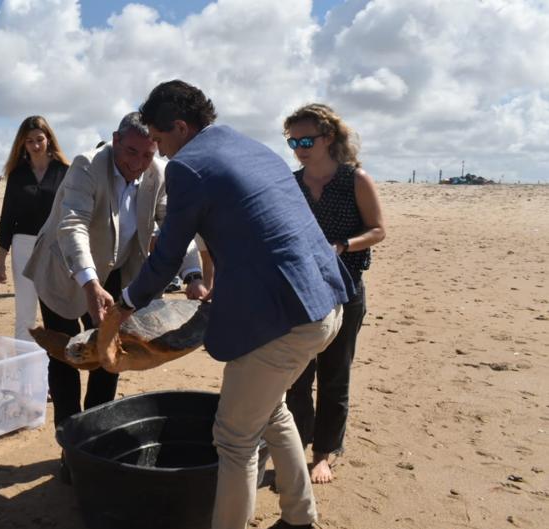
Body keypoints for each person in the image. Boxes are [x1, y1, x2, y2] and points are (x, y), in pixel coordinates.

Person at [115, 80, 353, 529]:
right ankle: (300, 518)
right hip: (323, 302)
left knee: (233, 439)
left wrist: (125, 302)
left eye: (161, 140)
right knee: (269, 410)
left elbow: (166, 254)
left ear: (181, 127)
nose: (161, 152)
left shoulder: (188, 167)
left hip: (286, 318)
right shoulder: (251, 147)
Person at [23, 111, 203, 433]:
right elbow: (73, 224)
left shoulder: (158, 174)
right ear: (116, 139)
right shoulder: (87, 165)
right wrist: (89, 283)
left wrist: (193, 276)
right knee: (67, 357)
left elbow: (175, 229)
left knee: (109, 357)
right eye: (131, 151)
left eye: (148, 154)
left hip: (116, 269)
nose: (138, 163)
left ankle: (95, 429)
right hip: (63, 267)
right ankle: (69, 435)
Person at [283, 103, 385, 484]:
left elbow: (378, 230)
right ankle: (297, 443)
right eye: (293, 141)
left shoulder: (355, 179)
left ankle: (325, 452)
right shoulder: (290, 184)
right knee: (296, 374)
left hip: (346, 289)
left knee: (334, 374)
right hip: (301, 291)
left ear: (328, 138)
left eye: (307, 139)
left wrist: (342, 245)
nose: (299, 147)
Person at [0, 116, 70, 341]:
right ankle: (23, 367)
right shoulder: (17, 174)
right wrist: (0, 262)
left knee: (57, 310)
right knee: (25, 309)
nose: (36, 146)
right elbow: (7, 217)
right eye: (29, 141)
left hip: (55, 246)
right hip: (23, 245)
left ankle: (58, 364)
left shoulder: (64, 171)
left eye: (40, 139)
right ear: (22, 144)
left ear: (49, 139)